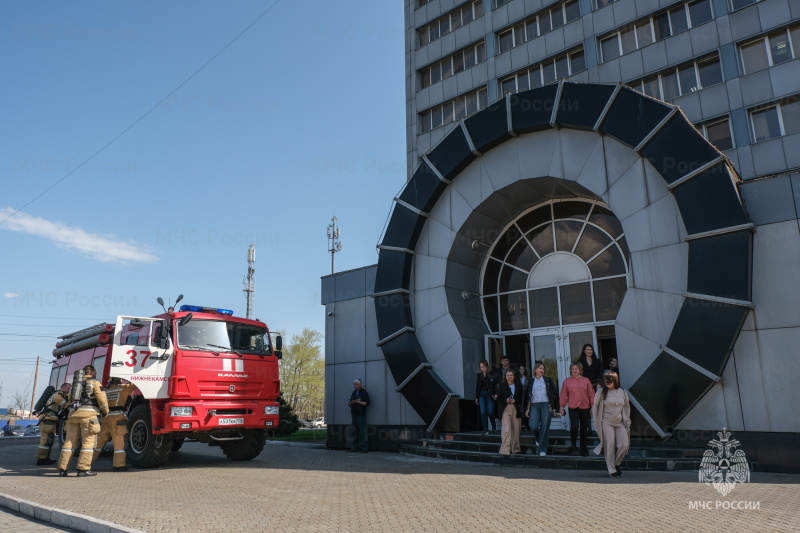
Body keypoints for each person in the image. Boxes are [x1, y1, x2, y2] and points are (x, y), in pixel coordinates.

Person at [57, 365, 109, 477]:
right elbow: (102, 399)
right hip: (89, 416)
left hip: (73, 416)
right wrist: (105, 411)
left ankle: (62, 469)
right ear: (93, 371)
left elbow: (70, 399)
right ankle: (83, 469)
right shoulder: (95, 383)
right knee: (88, 443)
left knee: (69, 443)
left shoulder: (74, 385)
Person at [93, 377, 138, 471]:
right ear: (120, 380)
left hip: (105, 419)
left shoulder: (106, 390)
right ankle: (119, 465)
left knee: (98, 444)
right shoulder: (123, 388)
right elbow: (136, 383)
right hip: (117, 420)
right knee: (119, 445)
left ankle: (86, 463)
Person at [592, 372, 631, 477]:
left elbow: (626, 407)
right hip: (606, 422)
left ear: (615, 380)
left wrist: (627, 419)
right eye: (605, 380)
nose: (607, 383)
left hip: (619, 422)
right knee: (610, 444)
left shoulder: (622, 392)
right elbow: (595, 405)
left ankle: (616, 463)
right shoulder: (601, 391)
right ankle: (611, 470)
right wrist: (595, 419)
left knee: (624, 444)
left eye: (609, 380)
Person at [559, 362, 594, 456]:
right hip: (573, 407)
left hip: (585, 407)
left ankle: (583, 448)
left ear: (580, 370)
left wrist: (593, 406)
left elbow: (591, 394)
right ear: (571, 370)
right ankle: (573, 443)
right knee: (574, 427)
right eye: (573, 369)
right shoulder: (567, 381)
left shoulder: (586, 380)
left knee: (583, 428)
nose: (574, 370)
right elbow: (563, 395)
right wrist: (562, 407)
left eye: (576, 369)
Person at [524, 362, 559, 456]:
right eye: (540, 368)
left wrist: (553, 405)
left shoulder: (548, 380)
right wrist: (527, 408)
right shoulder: (530, 381)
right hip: (534, 405)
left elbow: (554, 394)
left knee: (545, 426)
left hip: (546, 404)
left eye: (543, 369)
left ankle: (542, 449)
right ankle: (539, 438)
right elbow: (528, 396)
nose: (542, 370)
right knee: (533, 425)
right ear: (535, 370)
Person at [35, 383, 70, 465]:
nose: (69, 389)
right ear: (63, 387)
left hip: (49, 419)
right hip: (48, 418)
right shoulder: (58, 394)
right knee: (47, 439)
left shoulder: (59, 394)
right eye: (68, 388)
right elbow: (58, 400)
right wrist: (67, 405)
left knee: (48, 439)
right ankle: (41, 459)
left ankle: (45, 458)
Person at [497, 370, 523, 456]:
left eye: (511, 375)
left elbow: (521, 397)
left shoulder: (518, 386)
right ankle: (505, 450)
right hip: (505, 408)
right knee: (506, 429)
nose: (509, 377)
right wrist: (506, 400)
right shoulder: (502, 386)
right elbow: (499, 398)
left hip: (516, 408)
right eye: (507, 375)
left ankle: (516, 449)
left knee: (516, 429)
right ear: (505, 377)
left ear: (514, 376)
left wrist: (515, 400)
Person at [491, 355, 518, 432]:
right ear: (501, 362)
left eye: (506, 360)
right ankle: (504, 422)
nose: (505, 362)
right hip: (501, 390)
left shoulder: (513, 370)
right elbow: (495, 382)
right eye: (503, 361)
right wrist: (496, 392)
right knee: (502, 406)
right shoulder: (498, 371)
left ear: (508, 361)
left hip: (511, 389)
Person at [474, 360, 497, 435]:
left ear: (487, 366)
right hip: (482, 394)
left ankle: (493, 426)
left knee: (490, 411)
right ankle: (485, 429)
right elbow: (477, 387)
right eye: (481, 367)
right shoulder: (479, 375)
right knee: (483, 412)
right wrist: (476, 397)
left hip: (490, 394)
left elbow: (495, 385)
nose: (482, 368)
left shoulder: (492, 374)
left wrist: (496, 394)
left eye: (483, 366)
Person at [348, 379, 370, 453]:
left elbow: (367, 403)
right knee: (354, 431)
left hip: (361, 415)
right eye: (354, 384)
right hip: (354, 414)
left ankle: (364, 448)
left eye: (356, 384)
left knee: (362, 432)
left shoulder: (364, 392)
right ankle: (354, 447)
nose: (355, 385)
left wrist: (358, 402)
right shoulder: (354, 392)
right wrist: (351, 403)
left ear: (360, 384)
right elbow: (349, 403)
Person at [517, 366, 531, 431]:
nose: (522, 370)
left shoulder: (528, 378)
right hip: (520, 395)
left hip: (526, 395)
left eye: (523, 369)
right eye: (520, 369)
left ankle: (526, 424)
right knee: (520, 409)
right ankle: (522, 424)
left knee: (526, 408)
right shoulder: (517, 378)